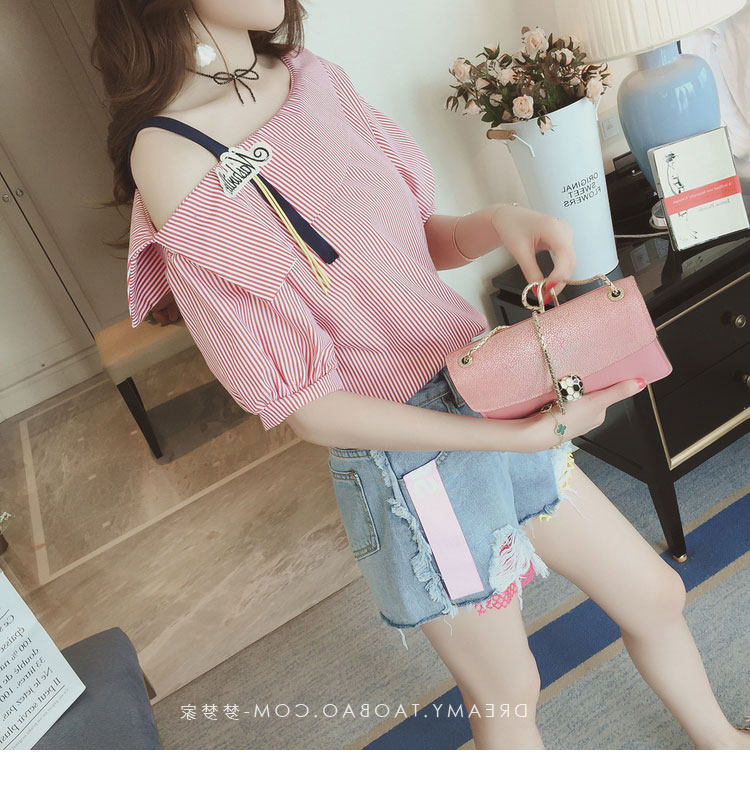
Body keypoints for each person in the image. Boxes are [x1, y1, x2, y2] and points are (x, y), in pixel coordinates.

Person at [93, 0, 750, 750]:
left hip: (487, 389)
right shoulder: (171, 157)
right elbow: (307, 406)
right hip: (413, 465)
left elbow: (409, 245)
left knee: (654, 594)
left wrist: (497, 220)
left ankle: (722, 753)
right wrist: (509, 441)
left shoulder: (307, 76)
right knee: (509, 696)